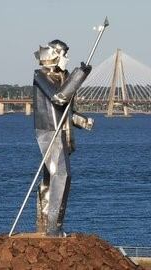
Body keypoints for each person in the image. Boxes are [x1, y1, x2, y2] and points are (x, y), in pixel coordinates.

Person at [33, 40, 93, 236]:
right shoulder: (40, 75)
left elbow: (65, 111)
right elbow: (59, 98)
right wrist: (80, 75)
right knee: (61, 175)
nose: (67, 59)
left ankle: (44, 225)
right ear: (54, 55)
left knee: (50, 179)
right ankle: (53, 228)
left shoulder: (63, 76)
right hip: (49, 132)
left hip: (62, 133)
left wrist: (83, 121)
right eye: (64, 54)